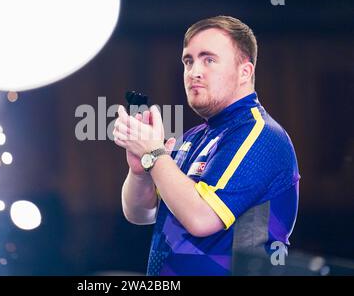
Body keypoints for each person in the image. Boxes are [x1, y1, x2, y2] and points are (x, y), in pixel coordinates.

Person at [112, 15, 300, 275]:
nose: (194, 72)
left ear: (245, 72)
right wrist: (140, 169)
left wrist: (154, 153)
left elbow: (201, 219)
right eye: (188, 61)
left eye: (208, 60)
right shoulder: (192, 138)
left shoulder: (261, 135)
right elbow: (140, 214)